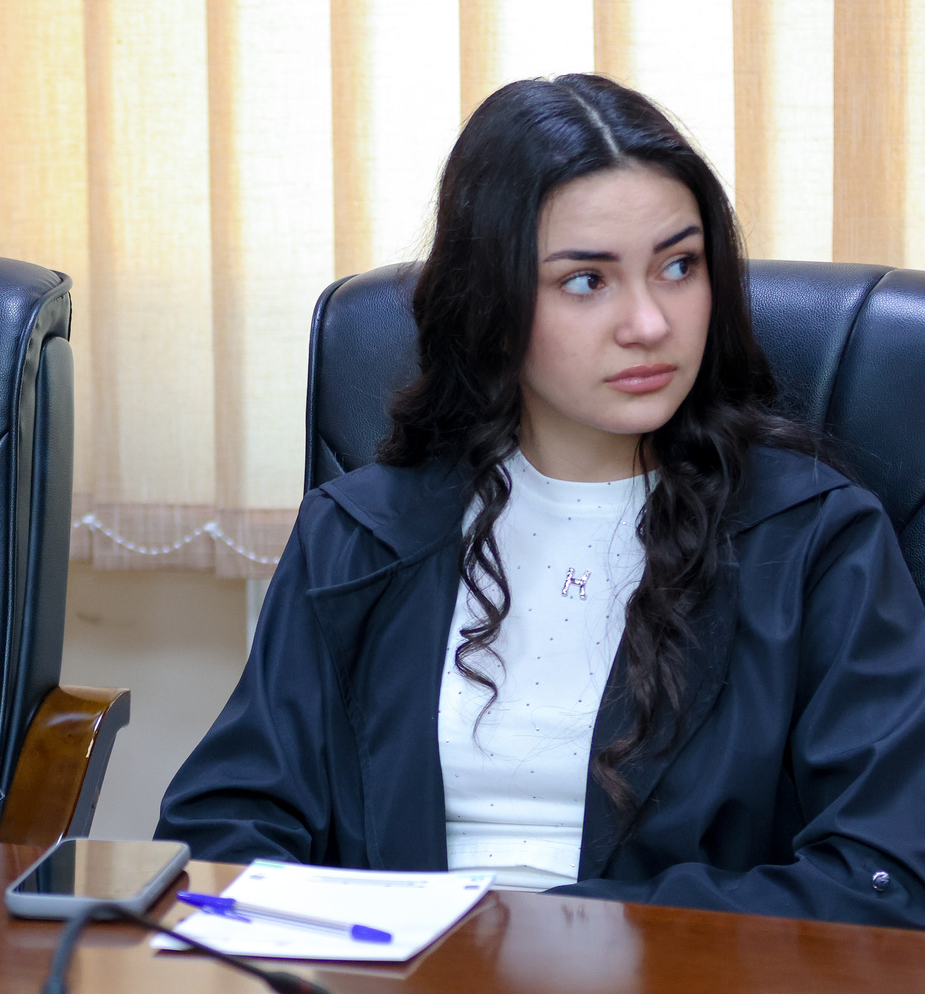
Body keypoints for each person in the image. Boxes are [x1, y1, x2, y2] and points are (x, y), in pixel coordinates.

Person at [156, 74, 925, 927]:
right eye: (587, 281)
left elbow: (886, 877)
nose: (649, 323)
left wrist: (554, 935)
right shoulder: (359, 536)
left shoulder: (816, 540)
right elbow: (221, 834)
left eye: (679, 266)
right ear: (491, 301)